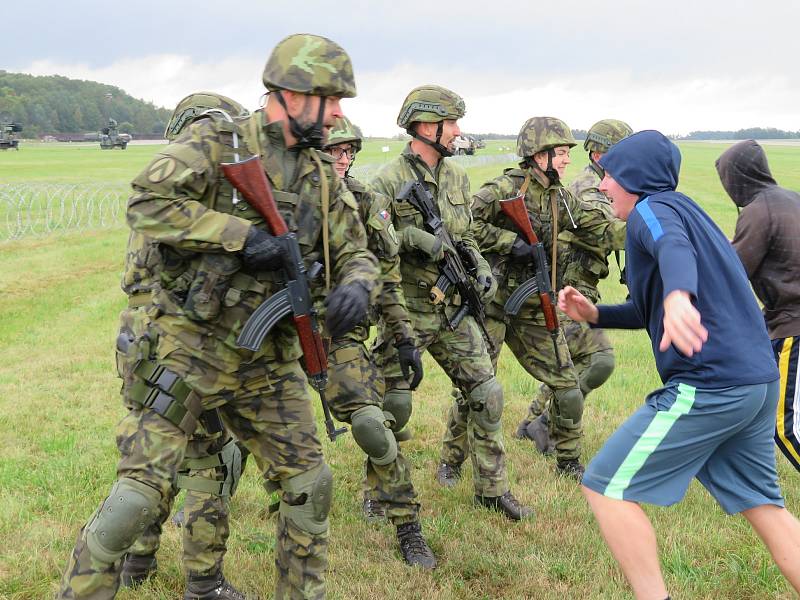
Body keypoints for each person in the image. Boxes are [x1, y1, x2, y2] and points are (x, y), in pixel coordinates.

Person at [56, 33, 378, 600]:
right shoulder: (218, 144)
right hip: (190, 350)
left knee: (311, 485)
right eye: (330, 100)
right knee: (139, 496)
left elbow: (354, 248)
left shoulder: (321, 174)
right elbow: (145, 203)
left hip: (266, 364)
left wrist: (358, 284)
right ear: (290, 94)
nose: (339, 114)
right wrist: (238, 237)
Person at [560, 129, 800, 600]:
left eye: (610, 176)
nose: (603, 186)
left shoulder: (652, 210)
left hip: (713, 385)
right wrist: (596, 314)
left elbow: (673, 250)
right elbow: (646, 307)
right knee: (764, 505)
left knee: (605, 485)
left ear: (635, 179)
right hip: (756, 383)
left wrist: (677, 295)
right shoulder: (690, 211)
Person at [370, 85, 532, 520]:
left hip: (452, 309)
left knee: (487, 391)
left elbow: (463, 236)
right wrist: (414, 239)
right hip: (407, 310)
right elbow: (372, 242)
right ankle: (380, 493)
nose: (459, 131)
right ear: (426, 126)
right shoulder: (386, 180)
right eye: (452, 122)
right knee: (393, 405)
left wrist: (478, 264)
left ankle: (491, 488)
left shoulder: (457, 177)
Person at [116, 92, 251, 597]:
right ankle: (203, 581)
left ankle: (136, 559)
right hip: (186, 346)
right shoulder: (200, 205)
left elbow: (137, 281)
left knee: (153, 457)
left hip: (141, 339)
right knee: (210, 461)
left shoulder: (162, 199)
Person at [440, 116, 625, 481]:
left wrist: (649, 225)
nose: (567, 160)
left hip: (534, 308)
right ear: (537, 155)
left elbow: (600, 228)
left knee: (568, 386)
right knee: (474, 390)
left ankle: (569, 460)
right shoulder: (501, 190)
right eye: (559, 153)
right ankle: (451, 461)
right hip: (493, 307)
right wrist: (511, 243)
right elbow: (463, 225)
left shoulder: (563, 198)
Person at [321, 117, 435, 568]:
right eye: (334, 151)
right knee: (221, 419)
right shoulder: (278, 197)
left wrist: (404, 335)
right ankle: (195, 510)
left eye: (349, 152)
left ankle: (406, 522)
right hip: (274, 335)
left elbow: (387, 279)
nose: (343, 159)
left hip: (339, 333)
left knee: (372, 422)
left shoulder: (364, 201)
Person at [522, 119, 632, 454]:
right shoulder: (591, 189)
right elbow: (609, 230)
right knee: (597, 361)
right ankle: (547, 425)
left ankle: (532, 421)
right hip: (569, 290)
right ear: (601, 154)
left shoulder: (605, 182)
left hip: (580, 287)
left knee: (567, 361)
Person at [716, 139, 800, 471]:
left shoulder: (757, 210)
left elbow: (734, 273)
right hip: (787, 322)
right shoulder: (790, 198)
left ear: (737, 176)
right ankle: (742, 468)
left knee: (784, 425)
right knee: (754, 398)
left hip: (791, 325)